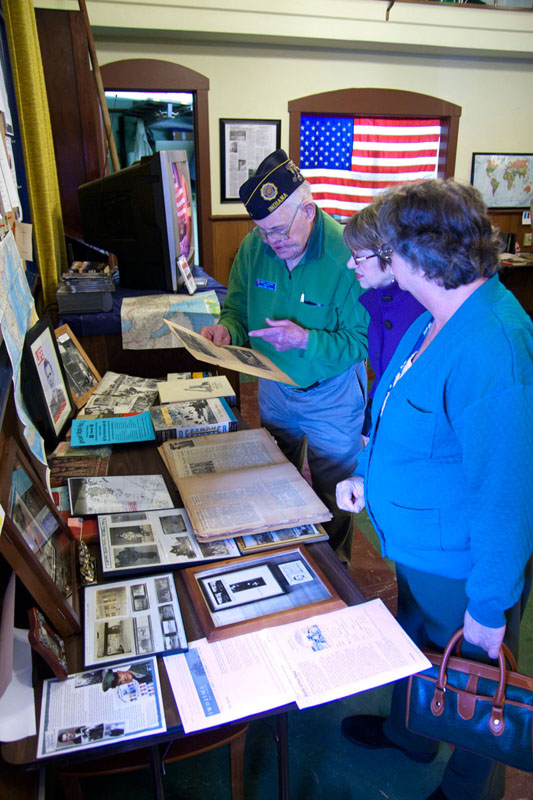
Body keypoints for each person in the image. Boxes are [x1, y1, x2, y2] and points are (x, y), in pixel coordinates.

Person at [336, 179, 533, 800]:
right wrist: (368, 475)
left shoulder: (492, 345)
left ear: (416, 254)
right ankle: (411, 733)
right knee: (415, 646)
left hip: (462, 565)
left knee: (477, 681)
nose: (374, 259)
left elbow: (507, 496)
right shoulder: (438, 315)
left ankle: (469, 787)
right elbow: (396, 411)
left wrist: (487, 608)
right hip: (418, 547)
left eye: (385, 248)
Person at [200, 149, 368, 563]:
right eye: (262, 232)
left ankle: (337, 571)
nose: (271, 243)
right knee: (277, 479)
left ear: (308, 210)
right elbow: (237, 309)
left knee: (334, 492)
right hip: (274, 385)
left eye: (277, 231)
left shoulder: (346, 256)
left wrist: (306, 341)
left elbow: (360, 342)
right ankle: (287, 561)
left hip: (331, 394)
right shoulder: (255, 247)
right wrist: (227, 330)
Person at [343, 200, 425, 436]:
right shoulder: (380, 298)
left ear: (390, 254)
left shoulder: (422, 311)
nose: (351, 264)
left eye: (358, 257)